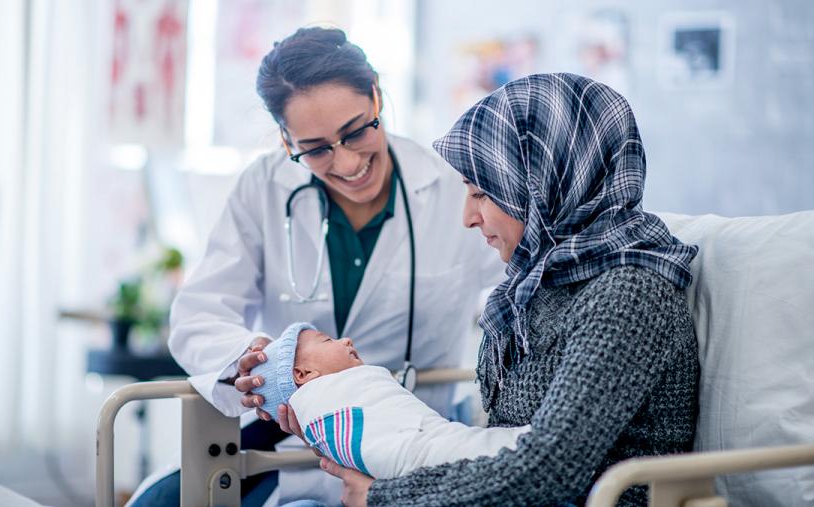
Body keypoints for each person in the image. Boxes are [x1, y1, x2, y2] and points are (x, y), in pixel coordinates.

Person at [130, 27, 502, 506]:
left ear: (377, 97)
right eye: (317, 148)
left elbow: (531, 281)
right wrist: (256, 356)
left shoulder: (453, 188)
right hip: (284, 447)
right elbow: (197, 315)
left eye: (355, 132)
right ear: (287, 141)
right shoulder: (264, 187)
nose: (347, 163)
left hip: (402, 447)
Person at [311, 73, 700, 506]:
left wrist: (386, 498)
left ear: (542, 186)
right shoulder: (539, 285)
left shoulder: (628, 296)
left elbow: (549, 469)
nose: (467, 218)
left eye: (480, 194)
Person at [250, 322, 529, 480]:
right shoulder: (323, 404)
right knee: (488, 452)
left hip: (428, 438)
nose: (346, 340)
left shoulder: (352, 386)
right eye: (327, 340)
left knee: (480, 448)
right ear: (303, 373)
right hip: (414, 451)